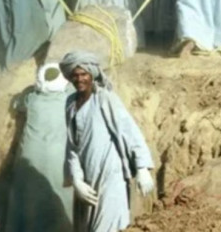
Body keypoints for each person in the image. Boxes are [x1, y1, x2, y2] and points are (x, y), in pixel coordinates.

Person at [60, 51, 155, 232]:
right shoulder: (70, 104)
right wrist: (77, 180)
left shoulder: (105, 98)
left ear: (92, 75)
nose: (79, 79)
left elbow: (129, 130)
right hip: (86, 179)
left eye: (84, 74)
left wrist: (142, 167)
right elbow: (72, 146)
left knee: (109, 226)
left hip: (110, 175)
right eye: (75, 75)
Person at [5, 63, 73, 232]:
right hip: (58, 161)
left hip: (28, 158)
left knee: (23, 201)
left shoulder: (32, 98)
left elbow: (16, 104)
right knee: (62, 203)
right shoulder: (69, 98)